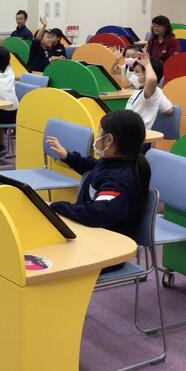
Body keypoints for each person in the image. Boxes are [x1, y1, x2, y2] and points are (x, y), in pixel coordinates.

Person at [48, 110, 150, 242]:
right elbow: (96, 166)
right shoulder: (116, 162)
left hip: (106, 242)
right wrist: (68, 156)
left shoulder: (119, 180)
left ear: (108, 140)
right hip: (93, 230)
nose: (97, 136)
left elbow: (96, 214)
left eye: (99, 132)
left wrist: (58, 206)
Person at [124, 52, 174, 129]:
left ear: (148, 74)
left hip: (136, 131)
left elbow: (152, 79)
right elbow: (169, 111)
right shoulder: (155, 92)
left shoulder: (150, 93)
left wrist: (147, 64)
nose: (133, 74)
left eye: (137, 71)